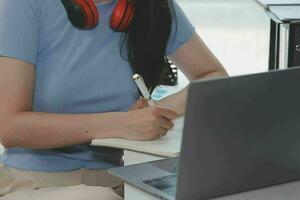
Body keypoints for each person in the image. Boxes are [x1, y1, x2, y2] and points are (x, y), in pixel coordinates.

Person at [0, 0, 228, 199]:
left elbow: (213, 77)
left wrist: (154, 113)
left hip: (118, 180)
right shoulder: (23, 4)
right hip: (32, 184)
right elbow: (10, 127)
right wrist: (120, 124)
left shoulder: (154, 7)